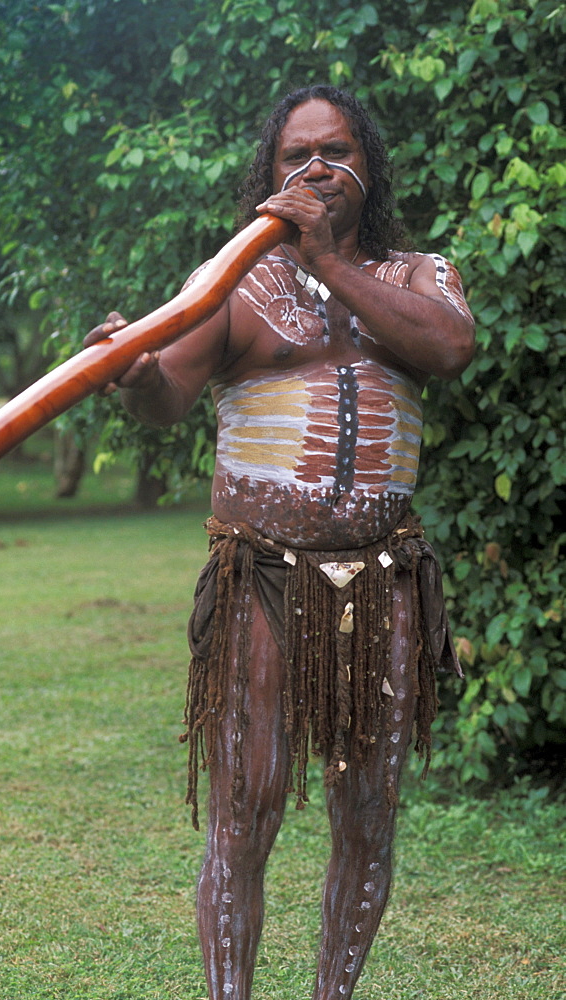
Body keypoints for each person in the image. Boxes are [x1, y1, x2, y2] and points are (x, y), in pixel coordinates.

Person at [85, 85, 475, 1000]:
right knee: (246, 808)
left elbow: (450, 350)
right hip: (262, 575)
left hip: (383, 577)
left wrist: (333, 262)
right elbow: (164, 398)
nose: (317, 169)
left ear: (367, 165)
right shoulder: (230, 282)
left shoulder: (422, 275)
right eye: (297, 155)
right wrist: (134, 376)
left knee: (369, 814)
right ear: (269, 174)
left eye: (337, 150)